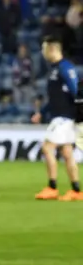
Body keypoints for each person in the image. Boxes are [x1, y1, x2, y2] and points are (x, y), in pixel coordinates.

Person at [32, 35, 82, 201]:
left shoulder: (65, 68)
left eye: (44, 48)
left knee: (47, 148)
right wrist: (42, 112)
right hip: (59, 115)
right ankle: (76, 190)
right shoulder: (54, 69)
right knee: (67, 153)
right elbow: (56, 96)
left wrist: (79, 113)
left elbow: (76, 91)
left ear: (52, 49)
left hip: (64, 117)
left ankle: (52, 187)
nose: (43, 52)